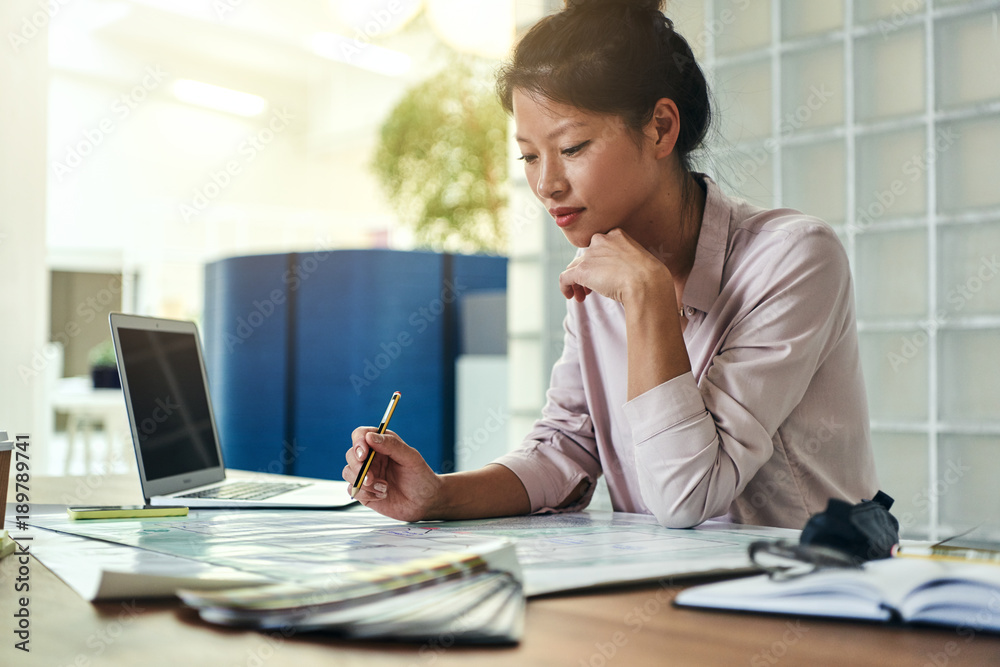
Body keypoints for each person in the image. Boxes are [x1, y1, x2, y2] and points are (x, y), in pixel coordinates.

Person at [342, 0, 879, 530]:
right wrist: (438, 496)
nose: (547, 184)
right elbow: (565, 449)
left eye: (572, 147)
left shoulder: (794, 257)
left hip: (810, 591)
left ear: (660, 129)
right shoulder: (602, 270)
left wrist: (647, 299)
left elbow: (688, 495)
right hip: (661, 589)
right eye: (529, 155)